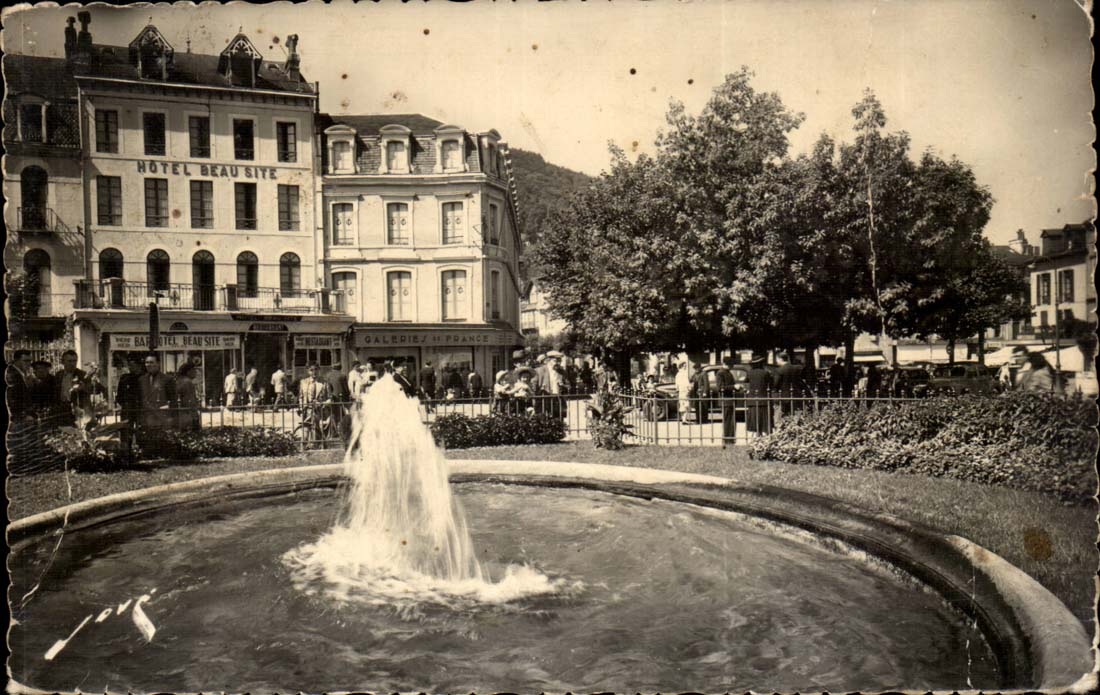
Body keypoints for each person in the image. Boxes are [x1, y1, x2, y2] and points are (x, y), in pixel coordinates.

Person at [139, 354, 175, 456]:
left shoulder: (167, 379)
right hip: (147, 414)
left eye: (151, 362)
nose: (148, 365)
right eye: (146, 362)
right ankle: (149, 454)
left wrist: (166, 408)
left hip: (161, 414)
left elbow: (173, 399)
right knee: (148, 436)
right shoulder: (142, 380)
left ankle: (163, 454)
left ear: (158, 364)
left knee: (161, 437)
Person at [115, 355, 144, 462]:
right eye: (130, 365)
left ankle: (141, 452)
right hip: (127, 409)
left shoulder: (144, 378)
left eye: (134, 365)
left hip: (140, 409)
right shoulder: (125, 378)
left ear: (139, 366)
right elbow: (119, 395)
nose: (131, 367)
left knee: (141, 430)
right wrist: (124, 404)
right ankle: (126, 453)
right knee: (126, 431)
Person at [745, 355, 773, 436]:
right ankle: (767, 435)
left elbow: (746, 383)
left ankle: (758, 434)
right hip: (764, 399)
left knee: (756, 419)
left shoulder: (749, 373)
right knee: (765, 419)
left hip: (753, 400)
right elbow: (771, 384)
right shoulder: (765, 373)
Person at [5, 349, 35, 425]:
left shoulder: (21, 373)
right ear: (16, 360)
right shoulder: (11, 374)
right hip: (17, 417)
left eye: (30, 361)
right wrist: (23, 415)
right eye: (25, 361)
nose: (29, 363)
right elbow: (12, 398)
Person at [774, 351, 804, 416]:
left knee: (786, 414)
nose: (776, 361)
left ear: (780, 359)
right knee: (797, 414)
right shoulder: (796, 368)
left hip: (785, 396)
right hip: (797, 394)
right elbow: (800, 381)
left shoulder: (779, 370)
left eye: (777, 359)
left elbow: (776, 384)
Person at [175, 362, 202, 432]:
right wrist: (195, 417)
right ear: (188, 372)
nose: (196, 372)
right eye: (194, 370)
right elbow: (190, 401)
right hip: (187, 415)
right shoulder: (187, 382)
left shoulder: (179, 380)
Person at [675, 361, 695, 426]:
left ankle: (683, 419)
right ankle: (684, 419)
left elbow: (676, 384)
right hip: (684, 391)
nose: (685, 367)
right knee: (686, 405)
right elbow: (686, 383)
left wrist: (678, 389)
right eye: (684, 366)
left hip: (681, 391)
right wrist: (689, 388)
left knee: (682, 405)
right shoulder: (683, 374)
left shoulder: (678, 374)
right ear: (681, 366)